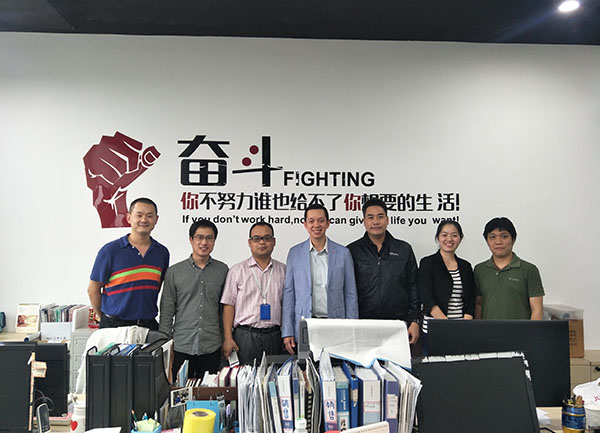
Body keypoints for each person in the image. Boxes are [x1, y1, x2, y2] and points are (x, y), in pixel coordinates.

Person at [282, 203, 358, 355]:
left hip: (335, 323)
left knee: (335, 366)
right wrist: (287, 331)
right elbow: (289, 294)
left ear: (328, 223)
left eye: (321, 220)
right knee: (305, 366)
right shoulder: (295, 253)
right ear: (305, 224)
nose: (316, 225)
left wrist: (352, 328)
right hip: (305, 323)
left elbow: (350, 294)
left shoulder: (343, 253)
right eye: (311, 221)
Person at [159, 219, 228, 378]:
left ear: (214, 241)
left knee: (209, 390)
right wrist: (165, 344)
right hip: (182, 345)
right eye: (199, 237)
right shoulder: (174, 272)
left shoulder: (223, 270)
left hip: (212, 344)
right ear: (191, 240)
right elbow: (167, 311)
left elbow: (224, 309)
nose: (204, 242)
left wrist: (225, 338)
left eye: (209, 238)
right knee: (180, 390)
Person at [87, 197, 169, 330]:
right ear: (129, 218)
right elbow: (93, 289)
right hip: (114, 326)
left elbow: (157, 287)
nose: (144, 220)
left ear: (156, 219)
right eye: (139, 215)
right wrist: (104, 319)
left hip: (148, 325)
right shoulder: (110, 250)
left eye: (149, 216)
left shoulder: (161, 253)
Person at [347, 198, 420, 345]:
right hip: (362, 324)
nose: (376, 222)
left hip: (398, 324)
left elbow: (413, 286)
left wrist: (415, 320)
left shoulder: (404, 249)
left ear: (387, 220)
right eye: (370, 217)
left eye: (380, 217)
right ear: (364, 221)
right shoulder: (352, 251)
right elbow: (346, 290)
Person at [220, 222, 286, 365]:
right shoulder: (237, 271)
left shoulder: (284, 270)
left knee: (274, 376)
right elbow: (229, 305)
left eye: (266, 238)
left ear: (274, 242)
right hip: (245, 336)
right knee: (245, 376)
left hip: (275, 336)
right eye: (256, 238)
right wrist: (228, 338)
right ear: (249, 242)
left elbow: (288, 306)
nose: (262, 242)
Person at [418, 221, 476, 353]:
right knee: (433, 365)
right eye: (444, 235)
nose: (449, 239)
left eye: (454, 235)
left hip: (461, 330)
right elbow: (427, 298)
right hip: (435, 329)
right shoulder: (428, 263)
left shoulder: (465, 266)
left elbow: (471, 299)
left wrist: (465, 324)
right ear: (438, 237)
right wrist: (447, 326)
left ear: (460, 238)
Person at [474, 217, 544, 320]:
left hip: (520, 330)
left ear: (513, 239)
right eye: (492, 237)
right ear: (487, 241)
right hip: (487, 329)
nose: (498, 242)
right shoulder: (479, 270)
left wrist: (532, 330)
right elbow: (478, 304)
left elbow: (537, 309)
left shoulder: (529, 270)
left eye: (504, 236)